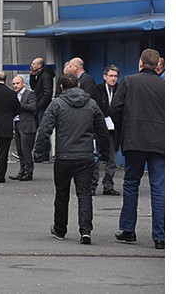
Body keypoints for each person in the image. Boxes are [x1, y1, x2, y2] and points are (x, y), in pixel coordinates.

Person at [35, 73, 110, 245]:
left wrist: (38, 153)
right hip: (85, 156)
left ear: (61, 87)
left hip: (64, 156)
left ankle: (60, 229)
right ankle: (85, 231)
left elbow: (44, 129)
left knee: (62, 194)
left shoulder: (57, 104)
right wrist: (104, 153)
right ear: (78, 86)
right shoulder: (91, 104)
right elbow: (102, 131)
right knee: (84, 194)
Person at [111, 49, 165, 250]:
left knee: (131, 183)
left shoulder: (128, 81)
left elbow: (114, 108)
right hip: (160, 141)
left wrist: (125, 126)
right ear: (157, 65)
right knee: (159, 188)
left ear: (141, 63)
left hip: (134, 139)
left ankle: (128, 230)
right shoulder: (166, 85)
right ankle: (160, 236)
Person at [90, 65, 120, 196]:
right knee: (95, 159)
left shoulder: (120, 90)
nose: (113, 79)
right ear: (105, 77)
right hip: (98, 130)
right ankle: (92, 186)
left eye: (115, 76)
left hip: (114, 131)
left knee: (112, 160)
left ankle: (108, 185)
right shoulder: (96, 90)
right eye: (111, 76)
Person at [10, 76, 37, 181]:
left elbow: (33, 107)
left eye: (17, 83)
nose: (15, 86)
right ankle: (22, 170)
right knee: (19, 149)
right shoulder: (14, 95)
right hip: (16, 123)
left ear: (23, 83)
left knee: (26, 149)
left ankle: (28, 171)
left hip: (26, 124)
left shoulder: (30, 94)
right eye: (14, 84)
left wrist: (19, 105)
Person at [29, 57, 55, 162]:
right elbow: (34, 87)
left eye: (34, 64)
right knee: (37, 129)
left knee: (43, 130)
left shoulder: (45, 75)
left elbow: (47, 92)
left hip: (42, 106)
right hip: (39, 105)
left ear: (40, 66)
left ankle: (44, 153)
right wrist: (32, 76)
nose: (32, 65)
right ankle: (37, 152)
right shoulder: (39, 74)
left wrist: (40, 105)